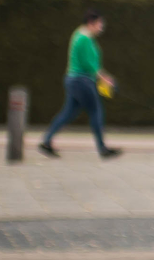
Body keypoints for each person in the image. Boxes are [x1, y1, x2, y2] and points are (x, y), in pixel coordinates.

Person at [39, 11, 121, 159]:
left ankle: (47, 141)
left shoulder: (79, 35)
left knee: (68, 113)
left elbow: (89, 63)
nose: (101, 27)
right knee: (96, 111)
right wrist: (106, 78)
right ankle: (102, 149)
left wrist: (103, 77)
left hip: (73, 80)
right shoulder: (84, 38)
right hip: (82, 81)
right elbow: (89, 64)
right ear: (91, 22)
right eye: (99, 24)